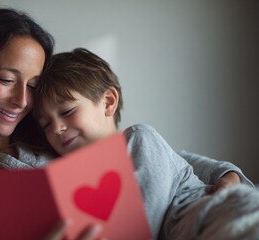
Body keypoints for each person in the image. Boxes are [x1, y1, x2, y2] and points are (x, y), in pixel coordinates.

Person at [0, 8, 253, 240]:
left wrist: (226, 176)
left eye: (33, 86)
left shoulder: (47, 132)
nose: (22, 101)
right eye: (6, 79)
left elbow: (167, 159)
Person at [33, 48, 259, 239]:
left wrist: (228, 175)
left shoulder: (140, 139)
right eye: (45, 125)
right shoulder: (78, 180)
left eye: (67, 111)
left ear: (108, 102)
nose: (56, 128)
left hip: (220, 216)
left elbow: (142, 222)